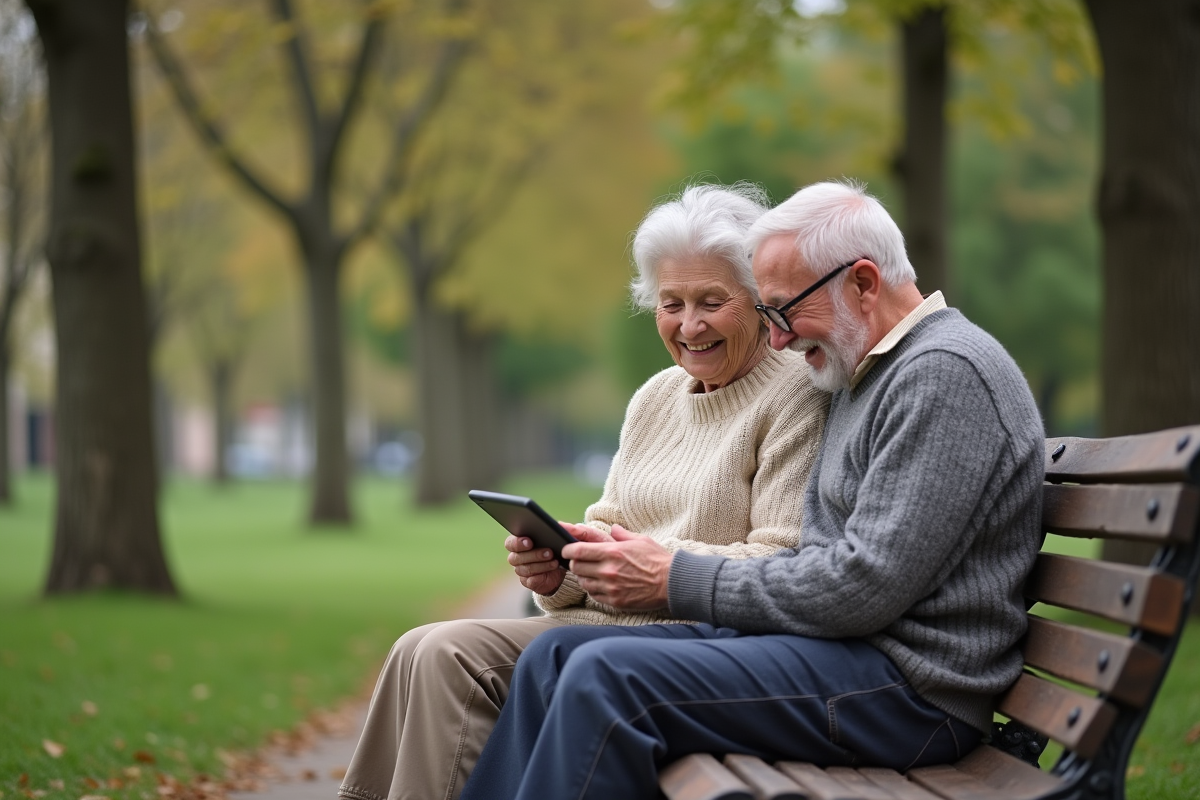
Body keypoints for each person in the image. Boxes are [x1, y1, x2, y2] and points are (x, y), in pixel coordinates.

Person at [458, 179, 1046, 800]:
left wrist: (670, 578)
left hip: (910, 693)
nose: (781, 339)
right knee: (555, 658)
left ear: (864, 284)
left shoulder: (943, 375)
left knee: (603, 677)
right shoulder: (866, 374)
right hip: (840, 657)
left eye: (785, 310)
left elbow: (864, 586)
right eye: (769, 316)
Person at [336, 183, 829, 800]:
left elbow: (786, 559)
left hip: (693, 643)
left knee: (450, 658)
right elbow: (608, 525)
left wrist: (656, 567)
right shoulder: (655, 398)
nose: (689, 324)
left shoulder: (796, 397)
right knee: (421, 649)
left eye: (712, 301)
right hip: (606, 626)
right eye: (670, 302)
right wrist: (558, 568)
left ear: (759, 301)